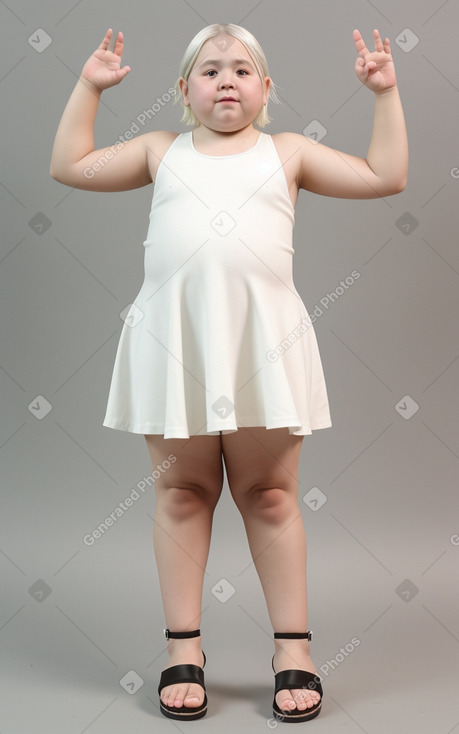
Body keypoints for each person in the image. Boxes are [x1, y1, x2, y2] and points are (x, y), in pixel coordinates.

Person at [50, 22, 408, 723]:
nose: (225, 80)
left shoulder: (289, 153)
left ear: (265, 89)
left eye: (241, 70)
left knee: (271, 495)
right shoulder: (161, 150)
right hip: (174, 342)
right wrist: (88, 86)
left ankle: (293, 649)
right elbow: (71, 165)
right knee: (182, 492)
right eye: (209, 70)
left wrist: (384, 95)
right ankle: (183, 646)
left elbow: (384, 176)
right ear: (183, 90)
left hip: (262, 347)